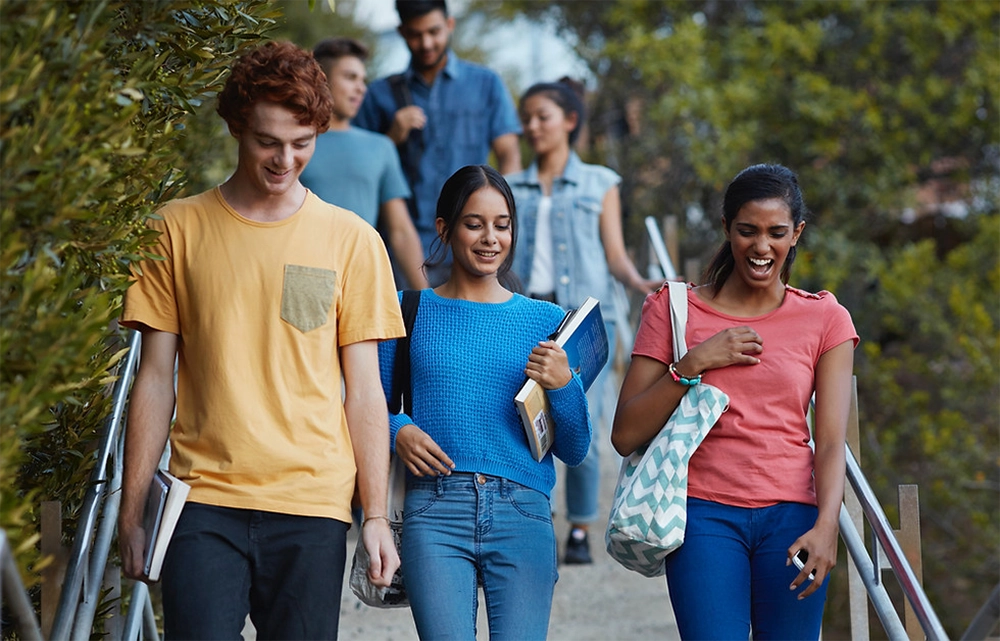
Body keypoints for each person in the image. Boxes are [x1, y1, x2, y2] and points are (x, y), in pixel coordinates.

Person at [117, 41, 404, 640]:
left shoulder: (352, 241)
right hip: (201, 502)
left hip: (313, 503)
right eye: (267, 142)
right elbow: (154, 378)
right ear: (235, 127)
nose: (285, 159)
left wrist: (375, 515)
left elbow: (365, 393)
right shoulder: (175, 228)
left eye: (303, 144)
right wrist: (133, 506)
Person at [611, 164, 858, 640]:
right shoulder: (672, 308)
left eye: (776, 233)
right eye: (747, 231)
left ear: (797, 234)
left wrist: (828, 526)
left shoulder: (825, 318)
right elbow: (624, 434)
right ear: (726, 228)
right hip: (702, 515)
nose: (762, 247)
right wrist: (693, 362)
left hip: (793, 519)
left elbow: (830, 443)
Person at [378, 165, 592, 639]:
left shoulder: (549, 321)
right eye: (474, 223)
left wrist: (563, 385)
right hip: (434, 509)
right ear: (444, 229)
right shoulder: (406, 310)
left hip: (523, 511)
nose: (490, 238)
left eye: (502, 224)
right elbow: (366, 401)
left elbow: (575, 449)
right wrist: (400, 431)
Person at [506, 79, 660, 564]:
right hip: (528, 314)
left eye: (543, 116)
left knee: (584, 419)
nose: (533, 126)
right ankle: (535, 518)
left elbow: (614, 254)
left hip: (584, 321)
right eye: (527, 118)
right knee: (527, 416)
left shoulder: (601, 182)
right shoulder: (512, 186)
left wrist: (639, 283)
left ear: (570, 121)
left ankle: (578, 527)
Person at [354, 0, 522, 284]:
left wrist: (498, 226)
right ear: (402, 32)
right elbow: (360, 172)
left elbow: (510, 157)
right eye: (416, 34)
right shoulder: (380, 94)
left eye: (434, 31)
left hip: (473, 242)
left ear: (450, 25)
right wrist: (392, 136)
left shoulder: (486, 83)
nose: (427, 42)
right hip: (404, 249)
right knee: (413, 326)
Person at [301, 37, 428, 289]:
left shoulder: (381, 147)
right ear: (321, 80)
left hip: (362, 283)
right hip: (303, 279)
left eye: (362, 80)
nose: (361, 88)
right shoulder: (294, 143)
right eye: (350, 77)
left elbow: (401, 230)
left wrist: (428, 299)